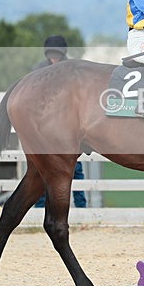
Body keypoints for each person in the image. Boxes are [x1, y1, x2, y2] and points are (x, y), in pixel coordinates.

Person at [33, 35, 87, 208]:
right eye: (51, 54)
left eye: (57, 54)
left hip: (68, 127)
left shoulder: (71, 70)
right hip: (47, 127)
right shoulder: (40, 69)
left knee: (75, 169)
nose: (54, 58)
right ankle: (40, 207)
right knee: (42, 169)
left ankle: (81, 207)